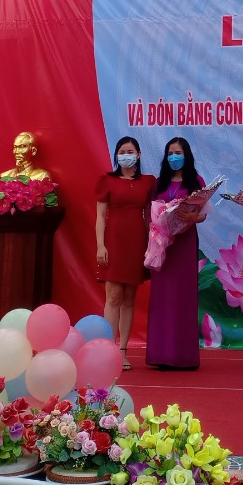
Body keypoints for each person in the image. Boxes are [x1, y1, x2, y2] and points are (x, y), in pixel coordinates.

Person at [95, 136, 155, 369]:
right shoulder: (107, 181)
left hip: (137, 243)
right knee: (113, 297)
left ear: (139, 155)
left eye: (130, 152)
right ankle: (107, 349)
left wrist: (153, 244)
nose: (126, 155)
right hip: (113, 242)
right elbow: (100, 216)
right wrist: (101, 245)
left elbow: (151, 216)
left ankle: (122, 351)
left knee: (129, 298)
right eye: (122, 151)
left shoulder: (148, 182)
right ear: (116, 155)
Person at [146, 137, 206, 370]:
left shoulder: (196, 181)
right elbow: (150, 212)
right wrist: (158, 223)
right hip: (162, 245)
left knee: (183, 297)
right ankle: (161, 355)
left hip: (184, 243)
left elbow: (202, 214)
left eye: (178, 153)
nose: (173, 157)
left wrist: (193, 217)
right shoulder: (159, 183)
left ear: (186, 155)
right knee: (163, 299)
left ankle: (183, 356)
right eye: (170, 153)